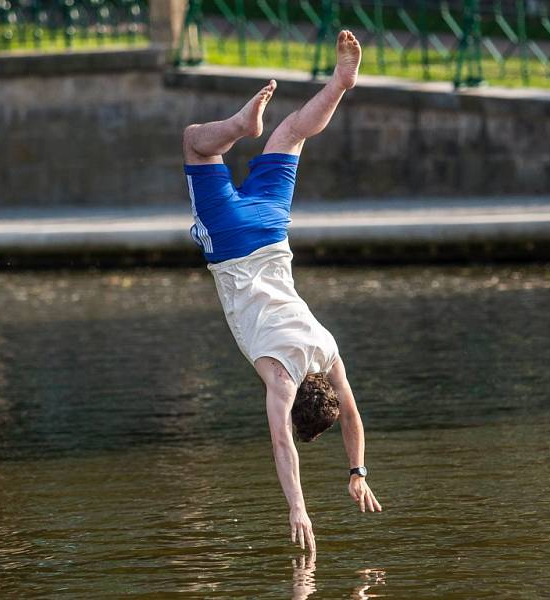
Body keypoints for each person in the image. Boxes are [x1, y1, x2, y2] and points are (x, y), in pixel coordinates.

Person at [182, 30, 381, 556]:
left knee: (291, 131)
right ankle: (235, 128)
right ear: (297, 405)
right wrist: (298, 507)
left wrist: (358, 470)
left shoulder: (327, 348)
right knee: (195, 143)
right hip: (228, 242)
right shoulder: (279, 378)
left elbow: (355, 416)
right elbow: (280, 444)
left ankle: (339, 85)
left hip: (272, 233)